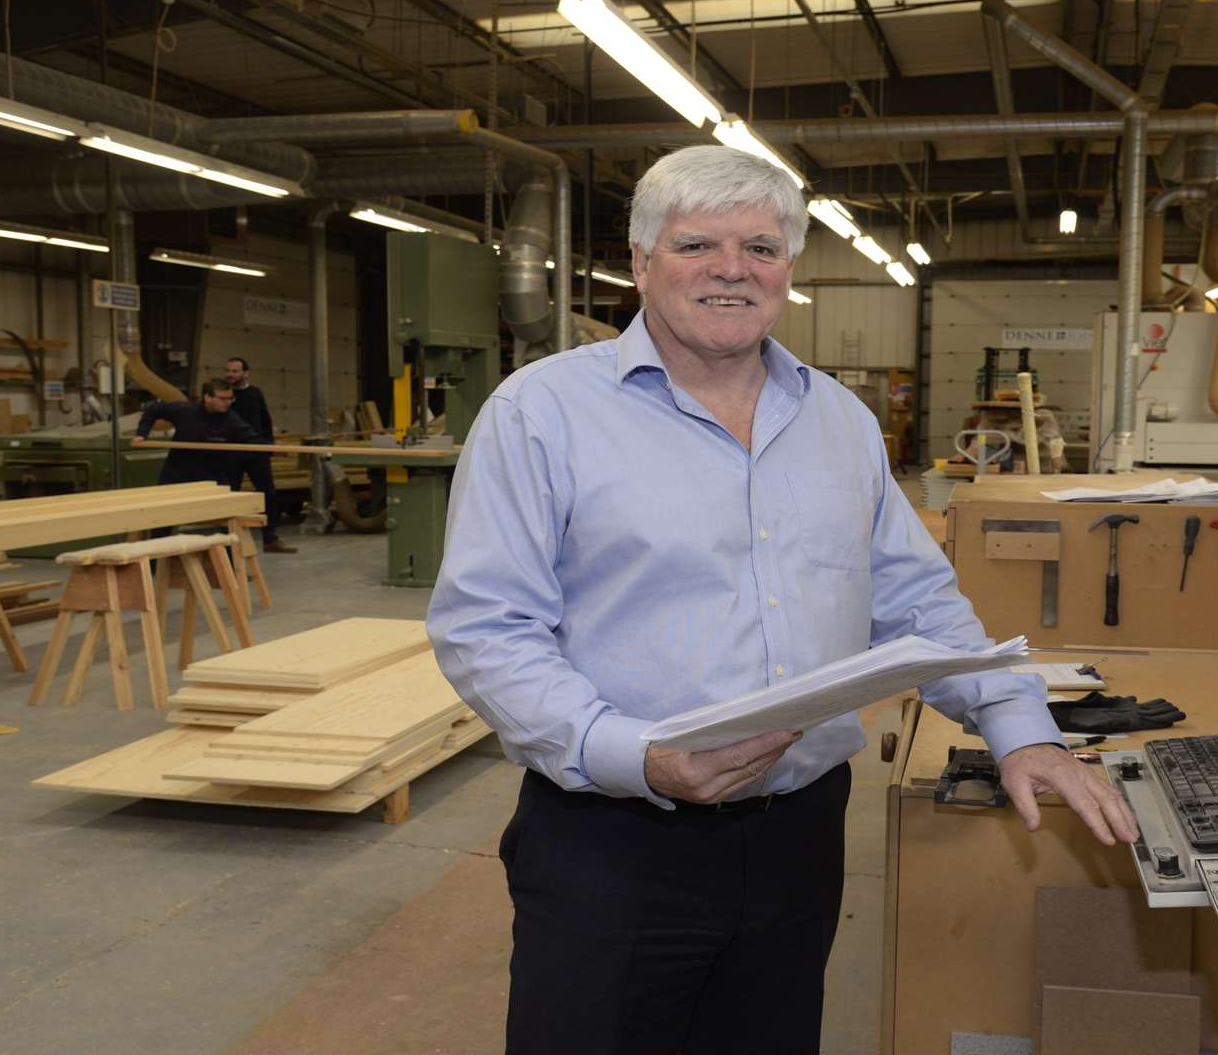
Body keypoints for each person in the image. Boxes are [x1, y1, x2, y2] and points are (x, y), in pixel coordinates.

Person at [425, 145, 1138, 1055]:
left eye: (760, 248)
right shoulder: (541, 414)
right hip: (614, 839)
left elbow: (916, 596)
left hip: (798, 836)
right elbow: (489, 630)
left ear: (790, 271)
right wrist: (639, 757)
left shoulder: (839, 419)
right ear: (641, 264)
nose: (732, 269)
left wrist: (1020, 726)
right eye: (698, 245)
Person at [222, 356, 295, 554]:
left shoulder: (255, 393)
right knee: (230, 496)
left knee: (268, 494)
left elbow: (265, 420)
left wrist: (268, 447)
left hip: (256, 452)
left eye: (235, 371)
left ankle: (270, 539)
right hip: (231, 453)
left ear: (246, 373)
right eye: (228, 370)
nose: (230, 375)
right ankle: (229, 543)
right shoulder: (223, 395)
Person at [130, 378, 257, 485]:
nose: (228, 403)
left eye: (230, 399)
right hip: (176, 476)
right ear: (207, 397)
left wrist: (269, 447)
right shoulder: (185, 411)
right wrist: (142, 434)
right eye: (223, 399)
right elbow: (153, 411)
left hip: (211, 479)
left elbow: (253, 439)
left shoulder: (232, 420)